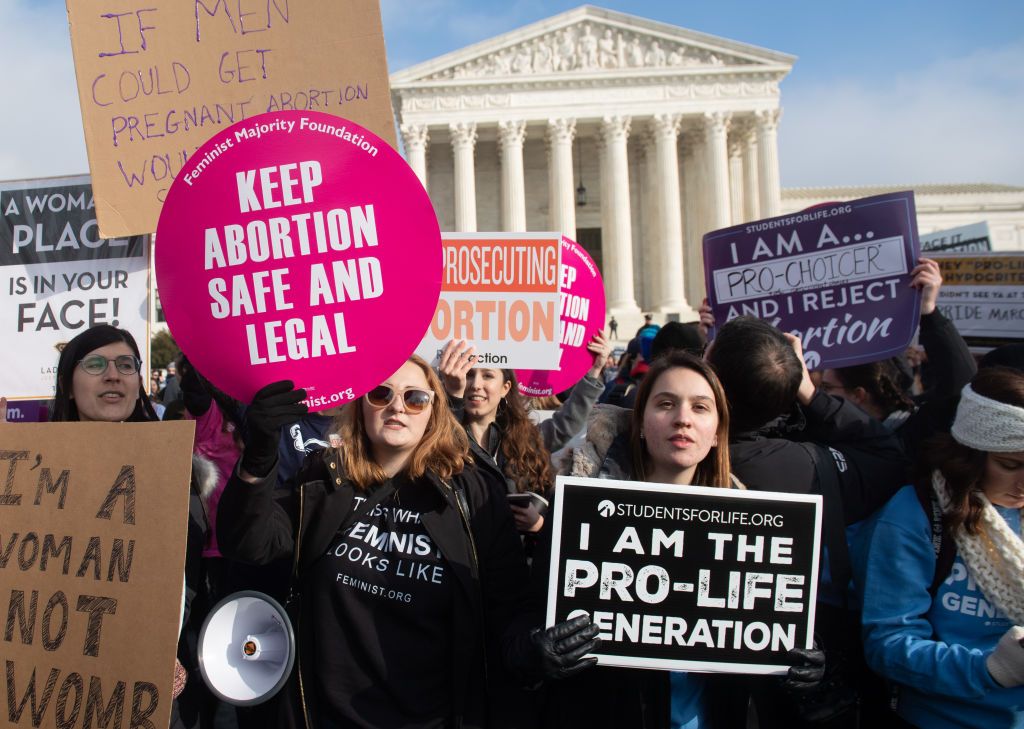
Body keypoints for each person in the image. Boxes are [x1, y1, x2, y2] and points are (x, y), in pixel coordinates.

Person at [216, 356, 601, 729]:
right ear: (361, 407)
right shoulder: (321, 479)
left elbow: (508, 608)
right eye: (381, 394)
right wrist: (259, 455)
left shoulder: (475, 496)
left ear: (434, 412)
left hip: (434, 715)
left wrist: (533, 650)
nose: (397, 407)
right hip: (324, 715)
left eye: (415, 398)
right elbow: (248, 543)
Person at [546, 351, 822, 728]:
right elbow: (522, 617)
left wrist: (799, 667)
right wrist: (539, 650)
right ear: (640, 424)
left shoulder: (758, 530)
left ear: (718, 433)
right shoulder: (581, 517)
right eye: (666, 404)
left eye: (700, 407)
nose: (683, 419)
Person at [48, 325, 216, 729]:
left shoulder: (178, 474)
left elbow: (185, 584)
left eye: (126, 364)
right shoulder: (33, 476)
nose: (113, 374)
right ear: (69, 385)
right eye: (95, 364)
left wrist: (165, 647)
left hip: (146, 693)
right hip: (51, 688)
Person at [859, 367, 1024, 728]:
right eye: (1010, 465)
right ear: (971, 454)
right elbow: (887, 643)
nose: (1023, 483)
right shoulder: (916, 513)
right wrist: (990, 669)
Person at [438, 334, 610, 536]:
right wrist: (451, 399)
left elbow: (567, 422)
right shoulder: (440, 437)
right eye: (469, 374)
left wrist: (537, 524)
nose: (476, 384)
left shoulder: (526, 438)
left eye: (488, 375)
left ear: (505, 388)